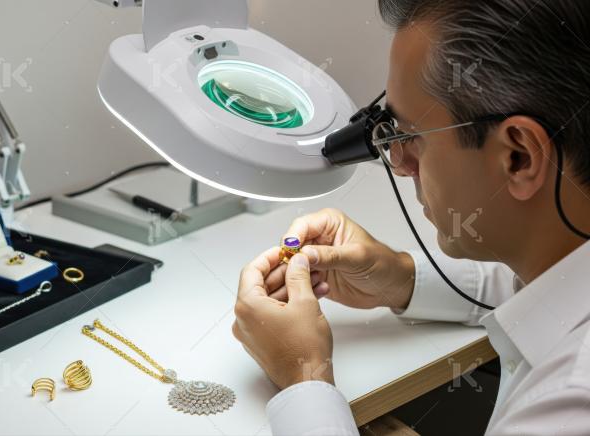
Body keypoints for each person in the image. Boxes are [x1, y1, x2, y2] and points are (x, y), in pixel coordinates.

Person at [232, 0, 590, 434]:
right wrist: (400, 277)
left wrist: (305, 377)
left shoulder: (569, 405)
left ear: (519, 157)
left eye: (411, 136)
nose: (399, 163)